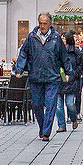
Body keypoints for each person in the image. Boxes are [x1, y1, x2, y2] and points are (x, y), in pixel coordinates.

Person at [14, 12, 72, 140]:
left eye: (45, 23)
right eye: (40, 23)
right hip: (36, 76)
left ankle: (46, 132)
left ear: (50, 24)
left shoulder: (56, 38)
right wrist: (19, 69)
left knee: (51, 104)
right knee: (37, 104)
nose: (42, 26)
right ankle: (42, 126)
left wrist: (68, 72)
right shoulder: (32, 37)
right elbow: (24, 53)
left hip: (52, 76)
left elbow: (64, 57)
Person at [57, 31, 83, 132]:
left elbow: (80, 66)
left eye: (64, 39)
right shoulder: (57, 51)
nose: (62, 40)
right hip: (59, 81)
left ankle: (73, 119)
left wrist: (74, 75)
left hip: (71, 82)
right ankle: (61, 125)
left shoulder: (75, 52)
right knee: (58, 105)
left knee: (70, 103)